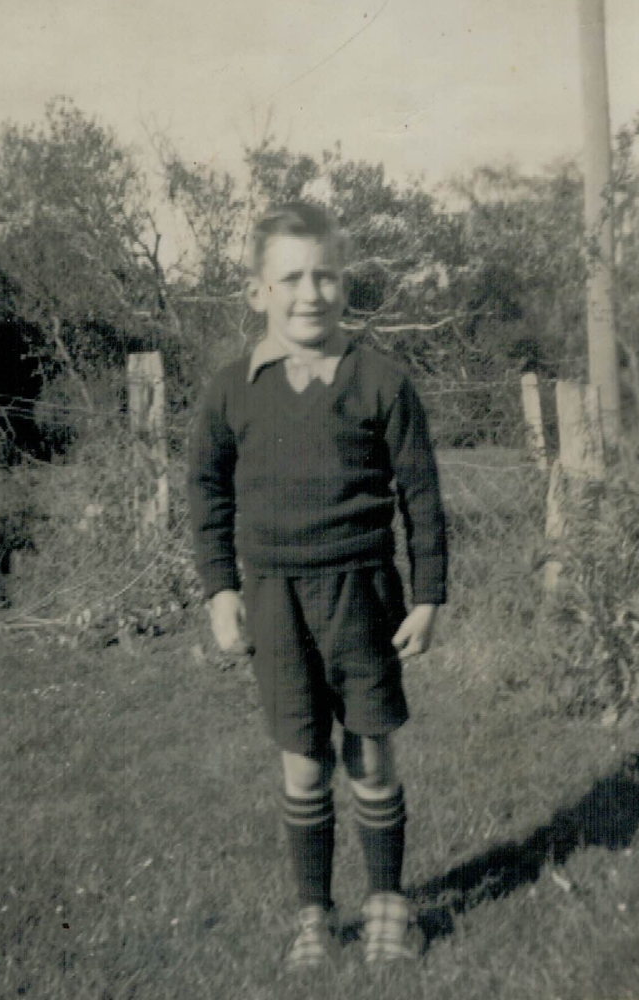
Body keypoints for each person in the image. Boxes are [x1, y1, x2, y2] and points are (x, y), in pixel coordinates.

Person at [187, 202, 447, 971]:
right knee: (302, 759)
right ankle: (313, 914)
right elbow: (206, 492)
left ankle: (387, 905)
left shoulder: (379, 382)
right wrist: (219, 591)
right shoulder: (232, 389)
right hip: (273, 597)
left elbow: (422, 497)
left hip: (361, 594)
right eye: (291, 277)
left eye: (326, 274)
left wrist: (428, 594)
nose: (311, 292)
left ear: (345, 283)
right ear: (257, 291)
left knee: (370, 750)